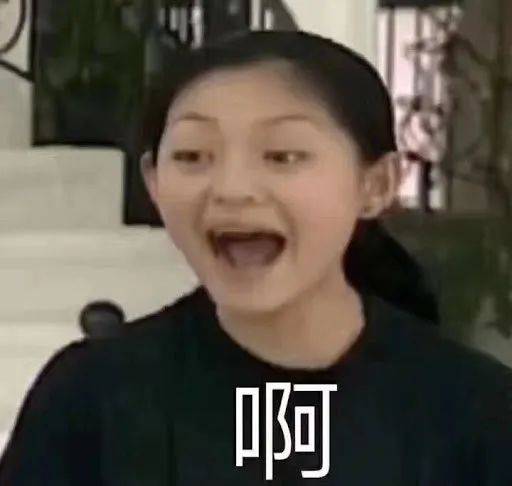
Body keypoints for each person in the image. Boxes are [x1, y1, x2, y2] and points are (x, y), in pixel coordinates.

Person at [1, 30, 511, 485]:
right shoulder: (90, 398)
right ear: (153, 183)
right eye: (193, 156)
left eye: (283, 156)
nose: (232, 188)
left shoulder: (475, 410)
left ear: (376, 185)